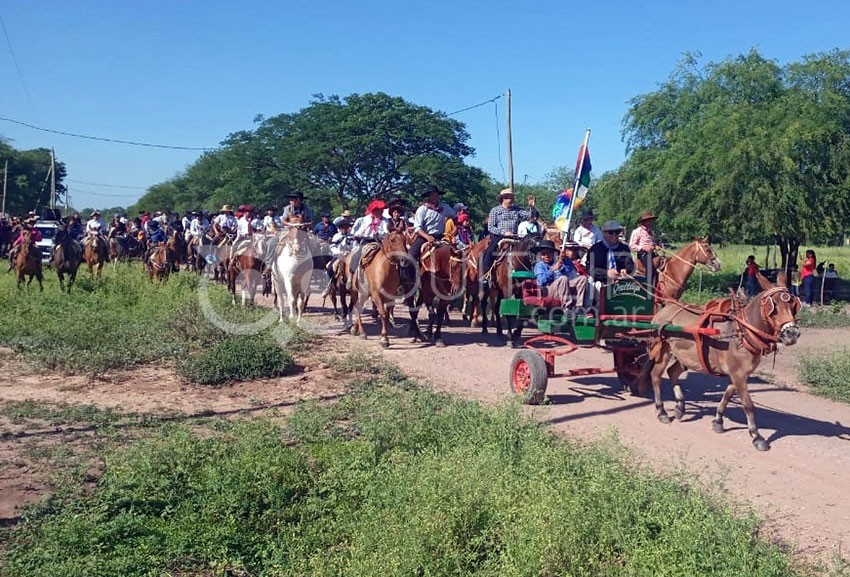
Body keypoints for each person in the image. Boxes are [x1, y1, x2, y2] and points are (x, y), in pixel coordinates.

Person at [480, 188, 535, 284]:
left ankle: (531, 272)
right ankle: (485, 275)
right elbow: (491, 227)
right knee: (489, 251)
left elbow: (530, 217)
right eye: (508, 197)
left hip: (515, 237)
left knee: (528, 249)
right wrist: (503, 232)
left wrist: (532, 207)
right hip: (499, 236)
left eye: (511, 197)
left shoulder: (517, 210)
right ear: (503, 198)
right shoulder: (495, 210)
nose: (510, 198)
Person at [408, 185, 457, 276]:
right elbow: (417, 228)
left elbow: (455, 217)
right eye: (432, 194)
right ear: (428, 196)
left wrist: (455, 228)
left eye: (436, 194)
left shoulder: (445, 207)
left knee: (456, 254)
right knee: (411, 254)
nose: (435, 196)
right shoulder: (422, 209)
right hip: (424, 236)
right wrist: (427, 237)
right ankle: (410, 279)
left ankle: (457, 278)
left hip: (441, 236)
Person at [531, 239, 588, 308]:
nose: (546, 256)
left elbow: (570, 271)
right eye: (543, 254)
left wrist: (564, 260)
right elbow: (540, 282)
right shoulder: (539, 265)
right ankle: (567, 307)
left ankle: (579, 306)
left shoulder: (559, 263)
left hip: (563, 289)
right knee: (563, 279)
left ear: (553, 253)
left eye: (549, 253)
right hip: (548, 291)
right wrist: (552, 270)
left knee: (582, 279)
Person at [588, 220, 635, 285]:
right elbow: (590, 269)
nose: (614, 235)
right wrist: (606, 273)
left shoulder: (624, 248)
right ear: (604, 233)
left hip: (620, 281)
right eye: (611, 232)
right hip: (600, 281)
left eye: (617, 232)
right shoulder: (595, 249)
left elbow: (630, 265)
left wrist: (625, 270)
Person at [629, 211, 657, 281]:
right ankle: (648, 285)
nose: (651, 222)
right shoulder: (637, 231)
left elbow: (651, 242)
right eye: (649, 221)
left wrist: (655, 246)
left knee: (663, 262)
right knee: (650, 267)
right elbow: (631, 245)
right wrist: (643, 248)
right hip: (643, 254)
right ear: (644, 222)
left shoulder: (651, 231)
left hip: (652, 252)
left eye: (651, 220)